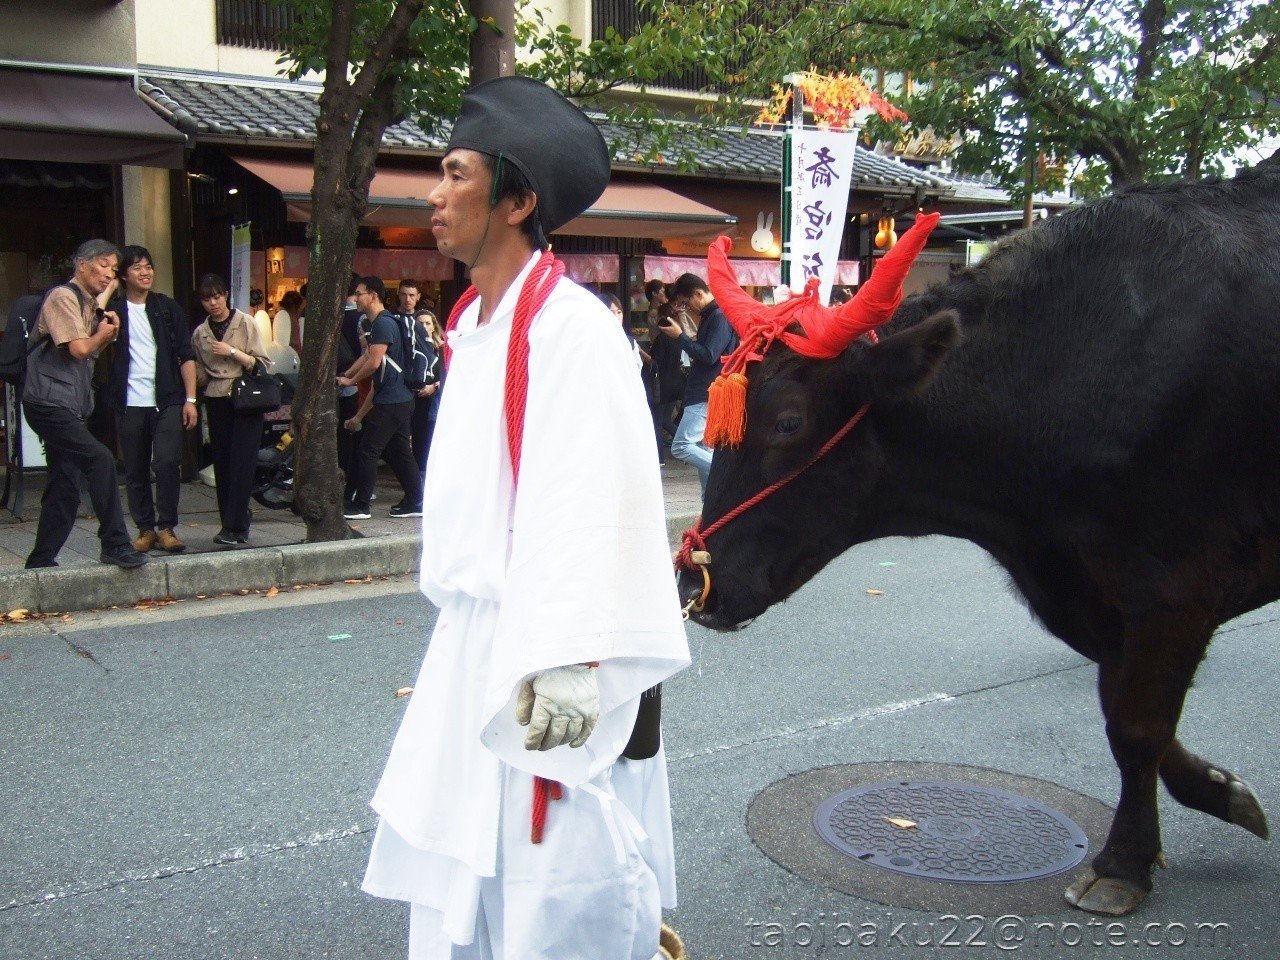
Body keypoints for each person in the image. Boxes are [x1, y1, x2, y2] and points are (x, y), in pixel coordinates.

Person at [361, 77, 689, 960]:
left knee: (551, 883)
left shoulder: (571, 330)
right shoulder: (473, 319)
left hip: (544, 649)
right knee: (469, 876)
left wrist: (572, 658)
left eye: (456, 174)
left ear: (517, 200)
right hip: (473, 643)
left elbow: (596, 496)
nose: (433, 195)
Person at [21, 239, 149, 570]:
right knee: (101, 459)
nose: (109, 274)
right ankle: (116, 544)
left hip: (66, 405)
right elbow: (79, 349)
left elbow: (86, 349)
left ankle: (40, 561)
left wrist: (102, 332)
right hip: (48, 403)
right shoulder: (63, 297)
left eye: (113, 269)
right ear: (82, 264)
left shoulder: (85, 303)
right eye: (103, 266)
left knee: (65, 482)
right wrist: (104, 337)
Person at [106, 245, 198, 554]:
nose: (146, 272)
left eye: (149, 266)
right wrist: (108, 288)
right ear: (123, 276)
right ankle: (145, 529)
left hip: (168, 398)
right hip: (129, 401)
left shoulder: (167, 308)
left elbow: (186, 354)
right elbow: (91, 322)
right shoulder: (115, 311)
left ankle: (167, 527)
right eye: (137, 268)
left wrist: (190, 399)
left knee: (168, 462)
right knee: (134, 468)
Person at [190, 273, 270, 546]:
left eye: (217, 296)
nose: (213, 303)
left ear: (226, 295)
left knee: (242, 462)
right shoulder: (200, 332)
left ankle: (237, 525)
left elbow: (262, 364)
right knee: (222, 463)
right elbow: (199, 369)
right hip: (216, 397)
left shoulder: (245, 322)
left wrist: (232, 352)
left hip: (244, 397)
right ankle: (230, 524)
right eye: (206, 298)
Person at [337, 276, 423, 519]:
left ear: (373, 295)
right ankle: (416, 501)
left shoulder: (383, 324)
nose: (356, 299)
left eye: (360, 294)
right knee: (398, 452)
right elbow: (367, 357)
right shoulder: (379, 323)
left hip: (392, 400)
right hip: (397, 398)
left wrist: (350, 381)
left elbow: (374, 362)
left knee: (367, 450)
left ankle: (361, 505)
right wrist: (347, 375)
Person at [658, 272, 736, 493]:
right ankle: (709, 502)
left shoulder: (719, 316)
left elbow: (708, 355)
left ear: (698, 294)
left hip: (705, 391)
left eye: (686, 302)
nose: (687, 308)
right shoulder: (713, 316)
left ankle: (727, 476)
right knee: (704, 446)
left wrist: (680, 336)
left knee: (681, 446)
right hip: (707, 390)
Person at [409, 307, 442, 476]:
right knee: (418, 443)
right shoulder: (411, 348)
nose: (423, 326)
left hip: (435, 404)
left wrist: (434, 386)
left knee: (430, 442)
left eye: (427, 323)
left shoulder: (442, 349)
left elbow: (449, 375)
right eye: (419, 323)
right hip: (415, 401)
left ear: (433, 326)